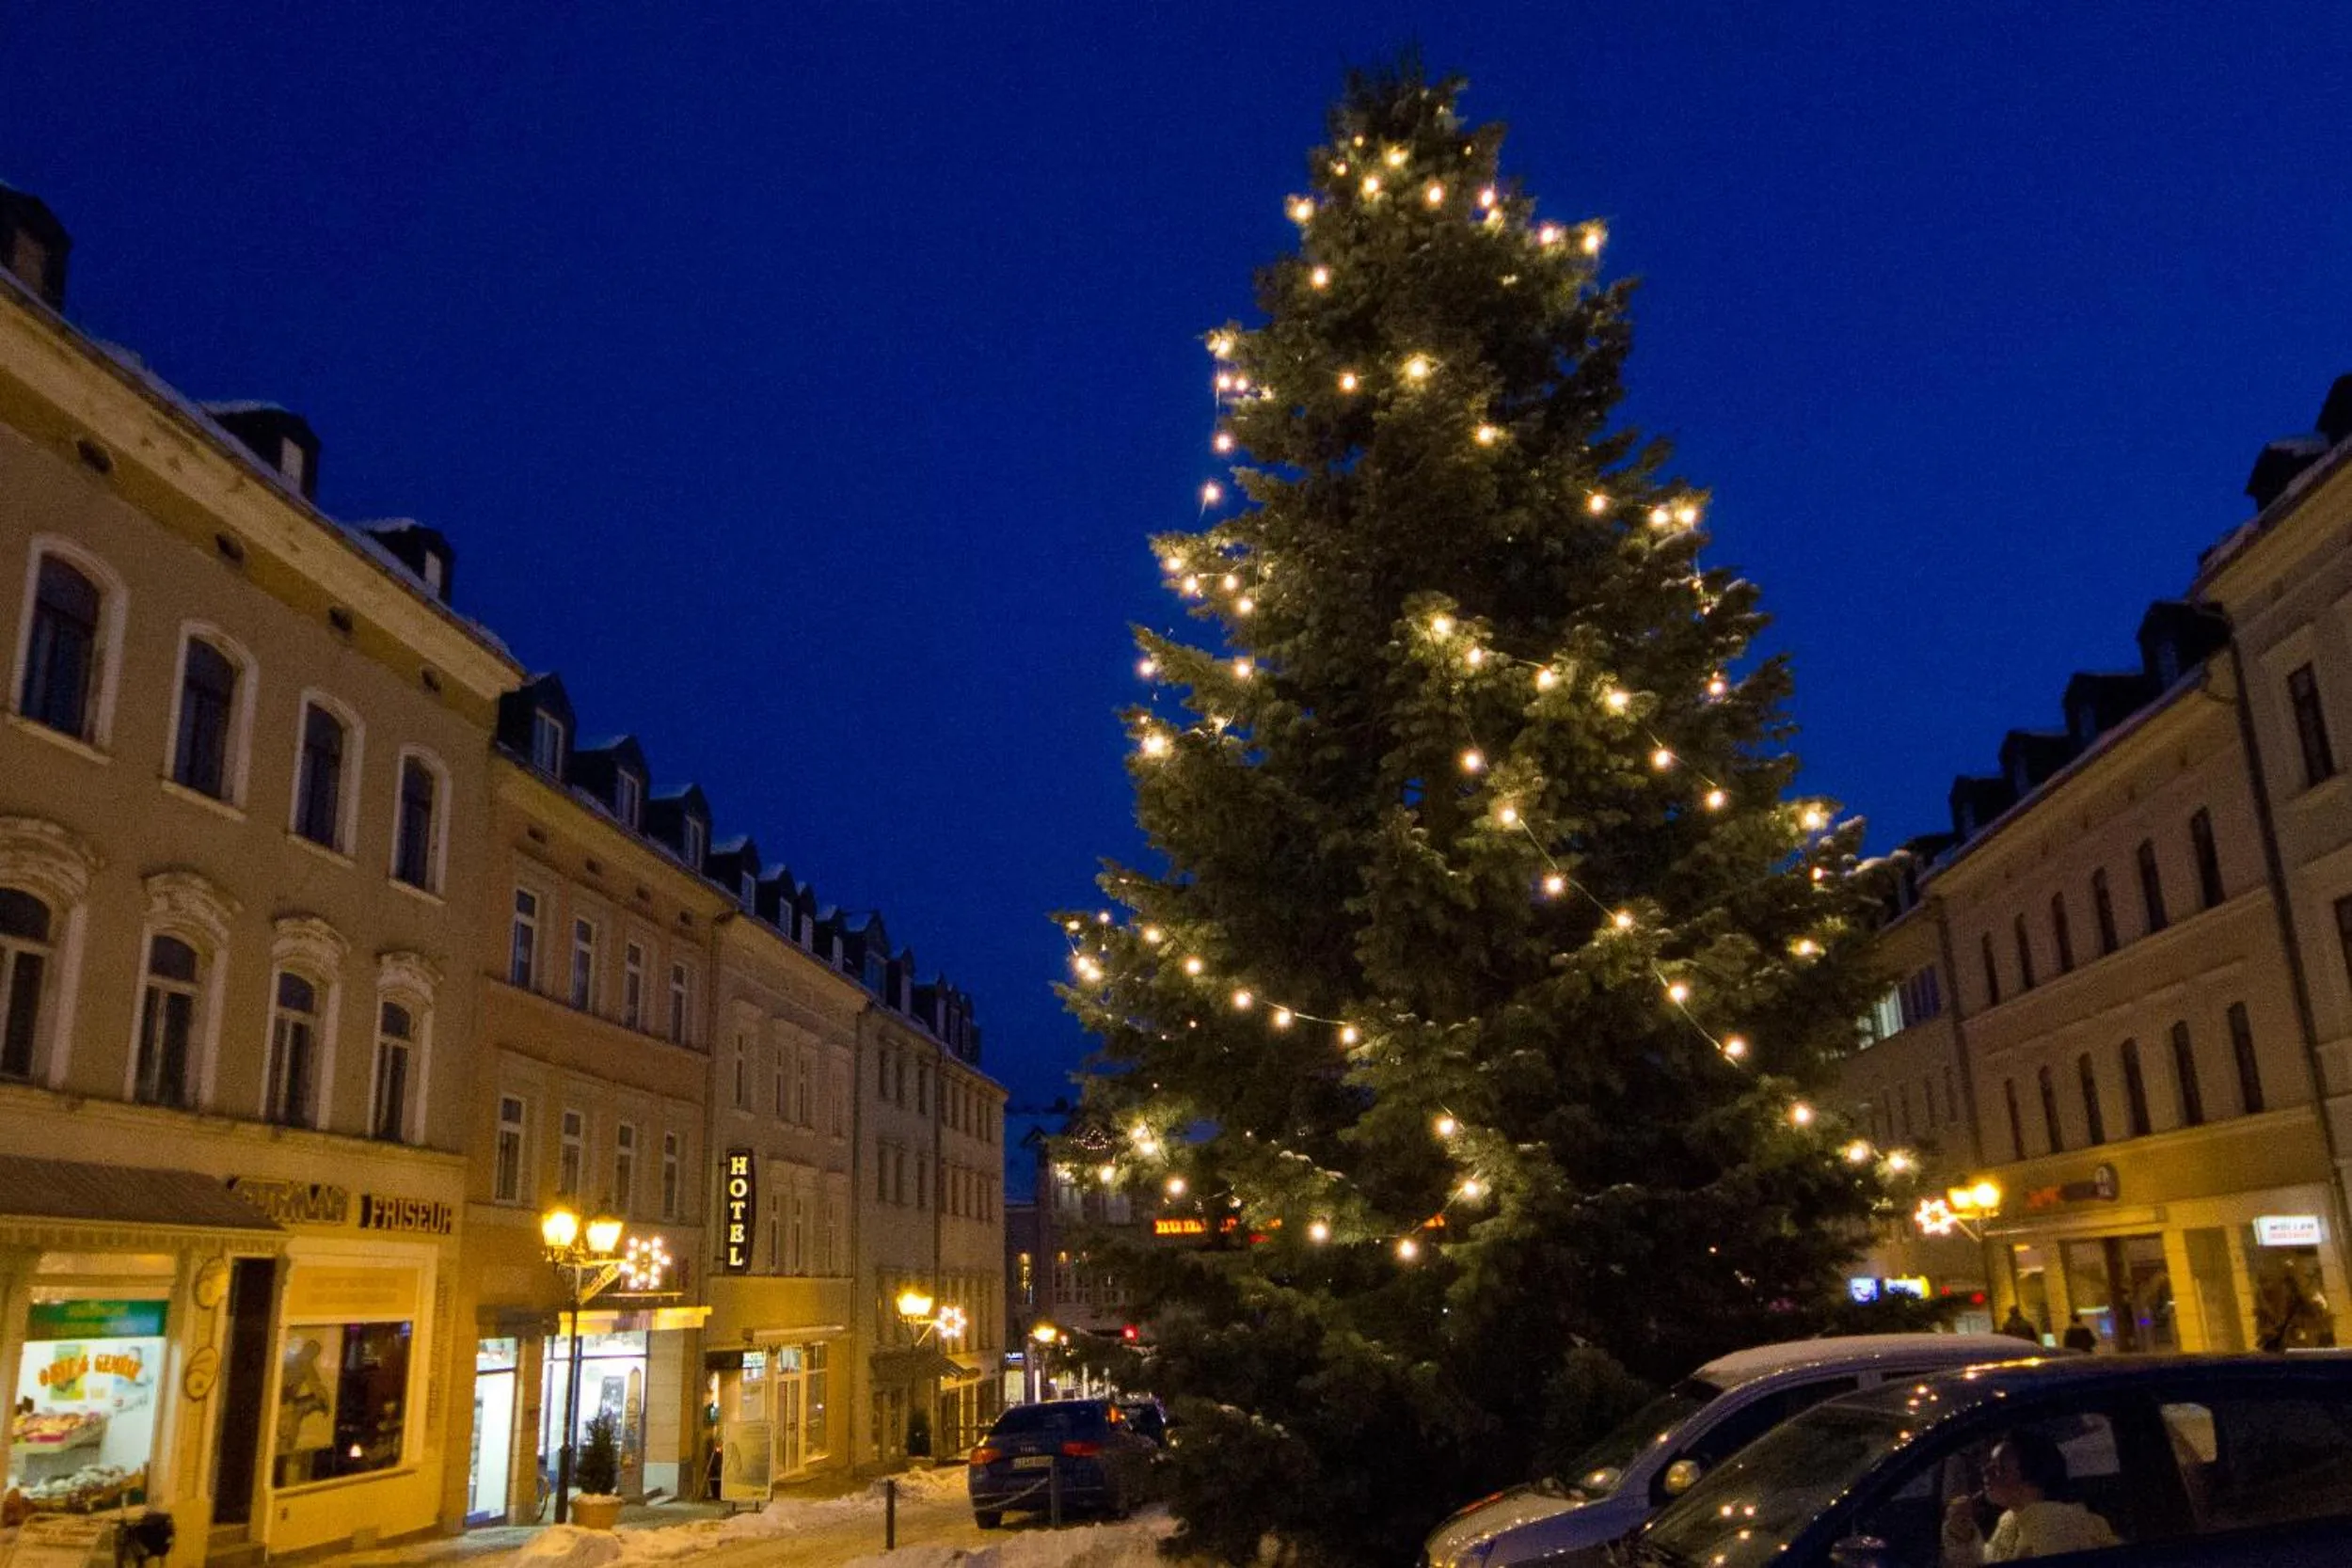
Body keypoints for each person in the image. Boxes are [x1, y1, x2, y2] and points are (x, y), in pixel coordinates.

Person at [1942, 1429, 2118, 1563]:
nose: (1985, 1471)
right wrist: (1961, 1531)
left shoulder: (2055, 1522)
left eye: (1999, 1469)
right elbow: (1985, 1561)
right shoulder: (2011, 1519)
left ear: (2032, 1480)